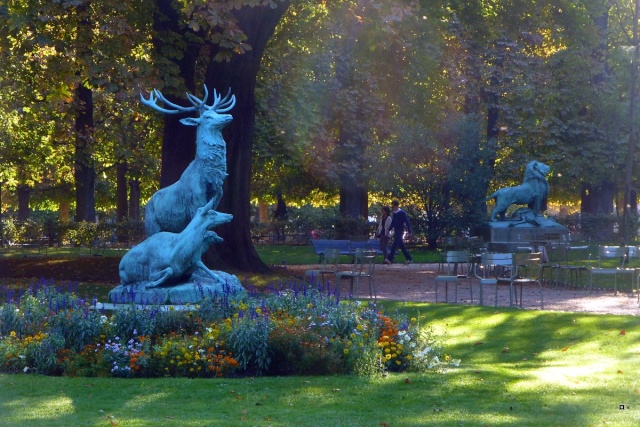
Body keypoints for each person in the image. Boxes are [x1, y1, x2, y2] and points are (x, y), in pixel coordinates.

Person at [387, 200, 413, 264]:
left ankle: (389, 259)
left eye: (393, 206)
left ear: (396, 206)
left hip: (400, 231)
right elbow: (393, 222)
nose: (392, 208)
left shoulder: (402, 213)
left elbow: (407, 222)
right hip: (396, 231)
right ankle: (409, 258)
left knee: (394, 245)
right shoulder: (395, 213)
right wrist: (389, 229)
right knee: (402, 246)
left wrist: (409, 231)